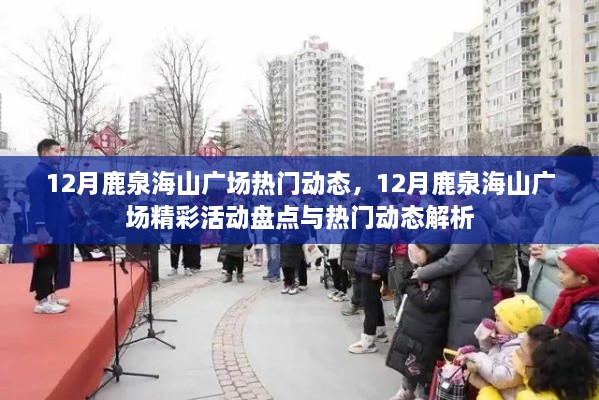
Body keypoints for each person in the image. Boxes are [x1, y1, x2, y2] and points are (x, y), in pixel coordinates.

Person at [412, 192, 496, 348]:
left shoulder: (473, 221)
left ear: (463, 198)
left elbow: (455, 259)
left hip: (471, 290)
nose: (446, 202)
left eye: (449, 198)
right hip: (465, 284)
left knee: (465, 337)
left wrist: (422, 273)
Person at [528, 146, 599, 316]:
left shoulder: (593, 207)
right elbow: (547, 230)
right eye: (556, 172)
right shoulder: (558, 200)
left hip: (566, 289)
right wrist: (537, 245)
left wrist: (551, 255)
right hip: (543, 281)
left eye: (563, 174)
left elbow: (592, 251)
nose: (557, 178)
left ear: (579, 177)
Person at [386, 232, 450, 400]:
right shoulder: (422, 269)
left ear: (431, 251)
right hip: (414, 327)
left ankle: (421, 395)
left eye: (420, 249)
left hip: (428, 332)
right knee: (408, 362)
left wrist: (411, 286)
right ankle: (406, 390)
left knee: (423, 368)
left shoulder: (440, 275)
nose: (415, 252)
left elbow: (429, 301)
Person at [472, 325, 599, 400]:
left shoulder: (531, 397)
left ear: (541, 370)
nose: (515, 354)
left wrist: (485, 389)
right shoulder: (586, 383)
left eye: (521, 351)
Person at [459, 295, 543, 400]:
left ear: (513, 324)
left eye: (498, 320)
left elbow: (499, 377)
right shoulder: (507, 341)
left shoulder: (518, 351)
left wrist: (477, 356)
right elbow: (492, 356)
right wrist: (484, 336)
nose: (495, 323)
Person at [27, 139, 71, 314]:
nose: (60, 154)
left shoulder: (53, 174)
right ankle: (42, 301)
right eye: (56, 151)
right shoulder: (37, 174)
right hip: (46, 227)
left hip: (58, 226)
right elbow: (37, 203)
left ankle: (51, 294)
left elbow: (58, 201)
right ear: (44, 153)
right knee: (45, 262)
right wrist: (41, 227)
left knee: (55, 261)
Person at [348, 191, 392, 354]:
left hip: (371, 268)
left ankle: (368, 340)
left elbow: (381, 247)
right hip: (366, 265)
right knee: (374, 299)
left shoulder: (378, 220)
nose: (360, 206)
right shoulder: (370, 218)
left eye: (363, 204)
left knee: (369, 302)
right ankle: (380, 331)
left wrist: (377, 270)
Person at [545, 246, 599, 370]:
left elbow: (596, 356)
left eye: (563, 272)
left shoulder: (594, 313)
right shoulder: (570, 298)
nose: (559, 275)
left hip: (579, 374)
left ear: (583, 278)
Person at [517, 166, 554, 293]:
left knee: (528, 270)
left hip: (528, 237)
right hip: (533, 239)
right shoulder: (539, 197)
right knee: (534, 272)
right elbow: (546, 222)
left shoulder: (537, 192)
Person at [279, 197, 310, 294]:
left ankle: (295, 283)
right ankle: (287, 282)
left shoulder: (301, 218)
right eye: (288, 203)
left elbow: (304, 235)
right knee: (285, 265)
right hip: (285, 245)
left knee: (294, 265)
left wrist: (291, 236)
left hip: (296, 246)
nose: (289, 205)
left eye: (291, 204)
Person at [340, 198, 365, 315]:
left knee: (357, 280)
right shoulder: (355, 218)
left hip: (355, 253)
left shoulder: (360, 219)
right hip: (350, 253)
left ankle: (357, 303)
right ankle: (358, 302)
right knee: (356, 280)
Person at [11, 189, 33, 263]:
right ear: (15, 197)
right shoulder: (12, 206)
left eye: (23, 194)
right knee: (18, 250)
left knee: (29, 251)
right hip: (17, 233)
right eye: (19, 194)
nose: (22, 196)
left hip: (28, 231)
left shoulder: (28, 205)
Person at [0, 197, 15, 263]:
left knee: (8, 261)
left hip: (10, 241)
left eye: (7, 204)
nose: (4, 205)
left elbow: (13, 227)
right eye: (3, 203)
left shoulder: (10, 213)